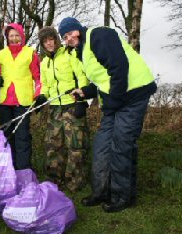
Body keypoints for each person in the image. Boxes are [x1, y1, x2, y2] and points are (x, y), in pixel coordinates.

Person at [58, 17, 157, 212]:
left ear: (79, 29)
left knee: (121, 145)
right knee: (102, 146)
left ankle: (123, 196)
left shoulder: (98, 35)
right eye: (65, 37)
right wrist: (86, 92)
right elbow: (105, 79)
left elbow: (119, 68)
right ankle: (101, 191)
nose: (69, 38)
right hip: (116, 101)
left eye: (70, 33)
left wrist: (114, 101)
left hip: (133, 95)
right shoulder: (83, 51)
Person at [36, 26, 90, 192]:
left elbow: (82, 76)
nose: (49, 43)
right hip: (54, 108)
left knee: (75, 144)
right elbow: (45, 85)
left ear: (56, 40)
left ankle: (75, 182)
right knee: (52, 145)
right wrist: (42, 97)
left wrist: (82, 100)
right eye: (45, 41)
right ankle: (54, 181)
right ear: (42, 44)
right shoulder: (44, 62)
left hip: (72, 104)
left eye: (51, 39)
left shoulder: (69, 54)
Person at [0, 23, 41, 170]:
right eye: (11, 36)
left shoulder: (30, 53)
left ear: (22, 37)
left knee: (22, 136)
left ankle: (23, 170)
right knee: (6, 136)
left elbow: (38, 77)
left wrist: (38, 94)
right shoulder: (0, 55)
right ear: (7, 38)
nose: (14, 38)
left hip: (23, 101)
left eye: (17, 35)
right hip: (4, 102)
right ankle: (9, 169)